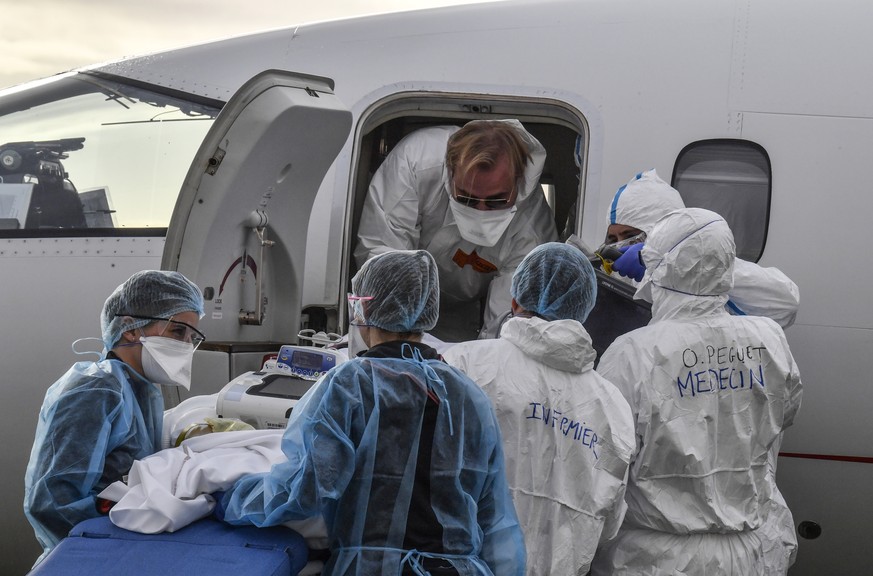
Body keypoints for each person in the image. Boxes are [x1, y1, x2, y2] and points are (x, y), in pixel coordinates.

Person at [216, 250, 525, 575]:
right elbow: (496, 521)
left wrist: (229, 500)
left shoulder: (348, 385)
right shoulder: (467, 394)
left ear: (363, 308)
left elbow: (304, 491)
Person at [591, 208, 802, 576]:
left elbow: (604, 461)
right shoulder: (768, 339)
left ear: (661, 266)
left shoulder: (632, 352)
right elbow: (785, 416)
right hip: (749, 554)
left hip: (652, 559)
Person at [443, 243, 635, 575]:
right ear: (584, 309)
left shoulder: (464, 366)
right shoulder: (611, 406)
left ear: (515, 301)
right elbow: (609, 522)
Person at [24, 270, 205, 563]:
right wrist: (105, 552)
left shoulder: (140, 391)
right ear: (131, 328)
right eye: (176, 331)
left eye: (191, 336)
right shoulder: (95, 389)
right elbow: (52, 501)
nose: (185, 344)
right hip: (85, 555)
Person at [354, 119, 558, 342]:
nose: (480, 211)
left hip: (464, 313)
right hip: (403, 298)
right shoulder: (416, 163)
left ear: (518, 182)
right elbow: (384, 262)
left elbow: (511, 321)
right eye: (467, 199)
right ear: (450, 172)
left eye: (496, 201)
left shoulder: (532, 224)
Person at [606, 169, 800, 329]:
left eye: (631, 236)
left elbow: (785, 305)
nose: (621, 245)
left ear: (662, 230)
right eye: (613, 238)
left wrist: (677, 264)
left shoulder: (713, 273)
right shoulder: (620, 273)